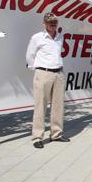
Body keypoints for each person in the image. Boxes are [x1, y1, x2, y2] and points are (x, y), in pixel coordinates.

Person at [25, 12, 68, 149]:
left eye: (55, 22)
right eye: (50, 22)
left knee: (58, 105)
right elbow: (30, 56)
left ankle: (56, 134)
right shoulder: (37, 37)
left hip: (58, 73)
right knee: (40, 106)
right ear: (44, 24)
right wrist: (37, 69)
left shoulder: (60, 37)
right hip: (43, 73)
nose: (53, 24)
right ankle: (37, 137)